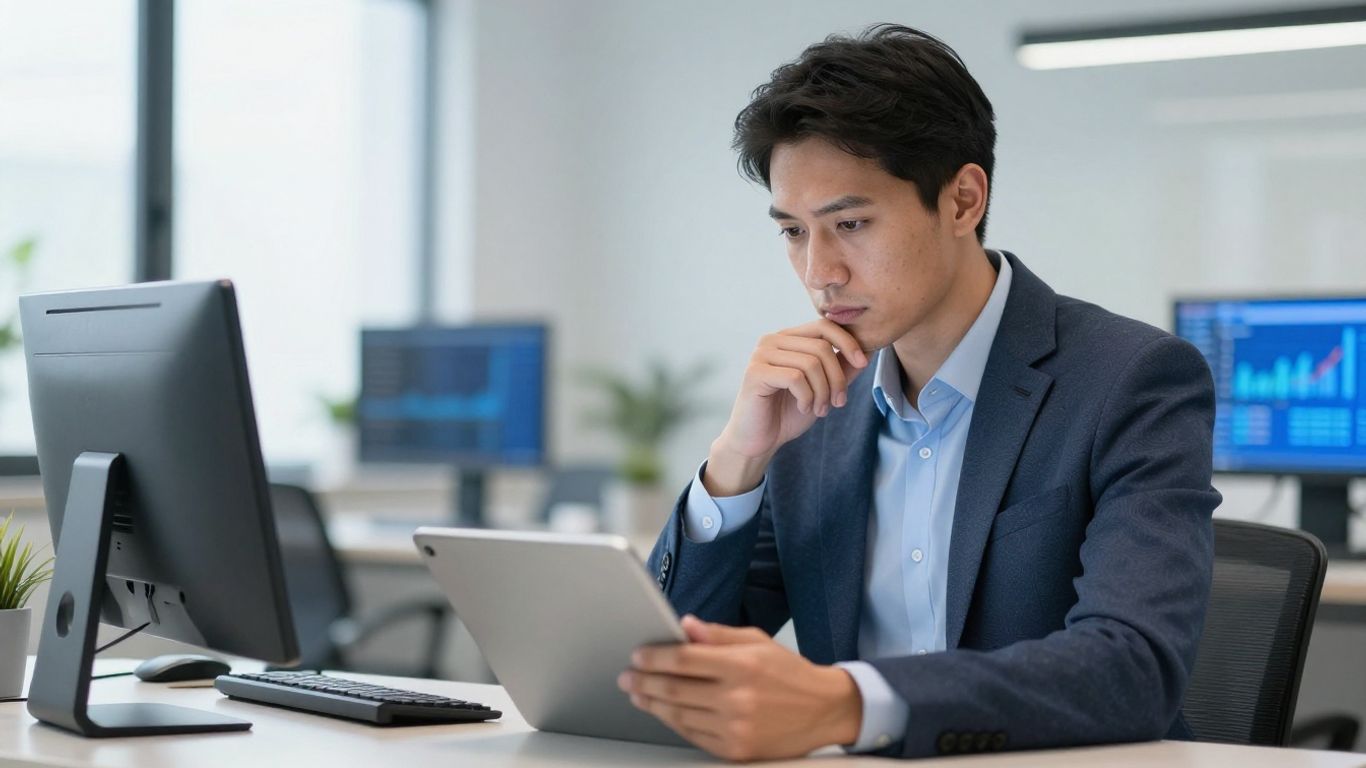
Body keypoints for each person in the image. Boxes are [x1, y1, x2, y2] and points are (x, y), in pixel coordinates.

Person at [618, 24, 1222, 761]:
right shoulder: (815, 410)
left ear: (963, 201)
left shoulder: (1131, 379)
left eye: (850, 224)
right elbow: (665, 672)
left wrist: (850, 704)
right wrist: (735, 464)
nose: (819, 273)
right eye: (792, 232)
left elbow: (1132, 668)